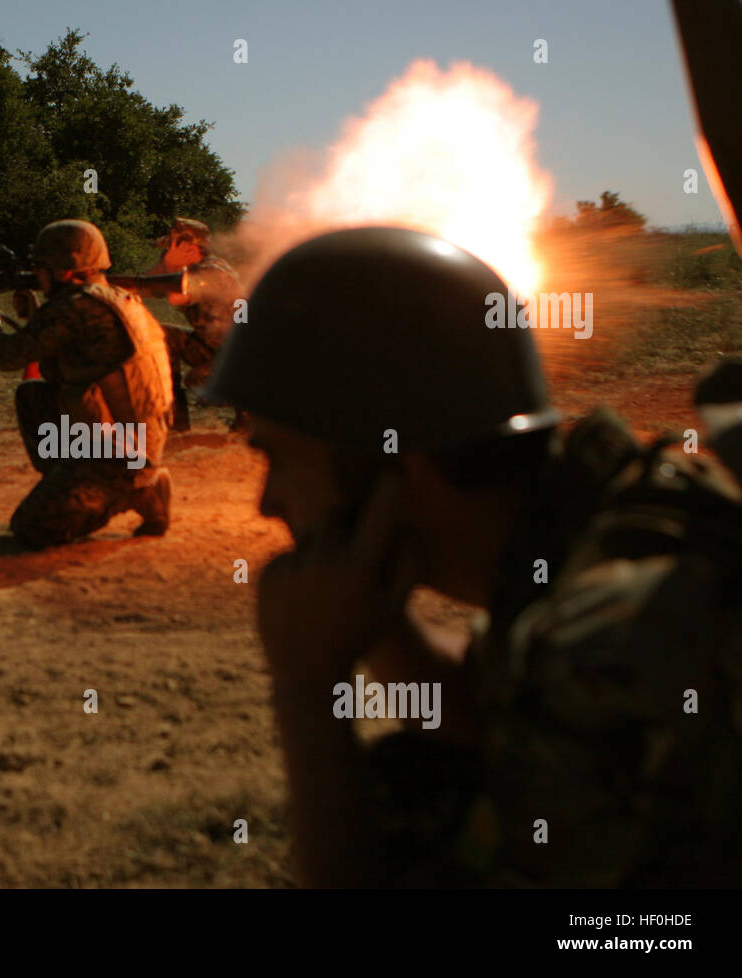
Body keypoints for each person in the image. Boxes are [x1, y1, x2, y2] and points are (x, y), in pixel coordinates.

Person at [204, 225, 742, 887]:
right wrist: (372, 619)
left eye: (279, 460)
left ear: (394, 461)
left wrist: (307, 693)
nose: (266, 502)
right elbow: (492, 710)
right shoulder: (619, 514)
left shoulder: (615, 640)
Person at [0, 219, 174, 548]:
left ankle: (135, 491)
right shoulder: (118, 299)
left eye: (42, 267)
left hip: (117, 455)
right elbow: (64, 366)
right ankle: (98, 480)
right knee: (33, 395)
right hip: (134, 441)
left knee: (33, 527)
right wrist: (37, 316)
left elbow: (6, 356)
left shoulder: (74, 308)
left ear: (64, 269)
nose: (37, 274)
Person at [149, 218, 245, 431]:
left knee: (199, 379)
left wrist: (173, 263)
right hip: (215, 348)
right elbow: (151, 290)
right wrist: (169, 264)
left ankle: (248, 417)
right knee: (164, 335)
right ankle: (177, 421)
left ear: (190, 247)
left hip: (239, 359)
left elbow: (176, 297)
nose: (166, 253)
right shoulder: (196, 269)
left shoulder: (212, 271)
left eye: (172, 247)